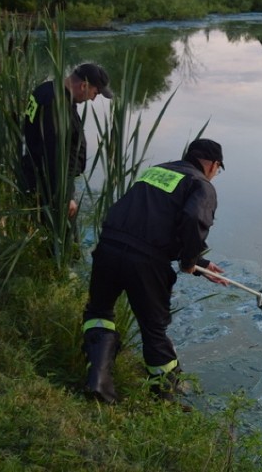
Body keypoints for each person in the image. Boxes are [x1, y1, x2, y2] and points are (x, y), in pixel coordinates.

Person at [81, 139, 228, 404]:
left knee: (99, 312)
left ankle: (98, 381)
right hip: (144, 263)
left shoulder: (158, 170)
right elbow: (194, 219)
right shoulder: (201, 185)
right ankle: (164, 400)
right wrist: (187, 263)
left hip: (109, 246)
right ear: (213, 165)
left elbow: (150, 220)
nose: (215, 174)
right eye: (218, 169)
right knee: (154, 330)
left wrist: (200, 264)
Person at [21, 63, 113, 221]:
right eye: (95, 93)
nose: (92, 99)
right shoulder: (56, 105)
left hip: (39, 179)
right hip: (49, 189)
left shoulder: (46, 90)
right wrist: (65, 196)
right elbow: (54, 154)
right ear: (84, 85)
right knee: (61, 241)